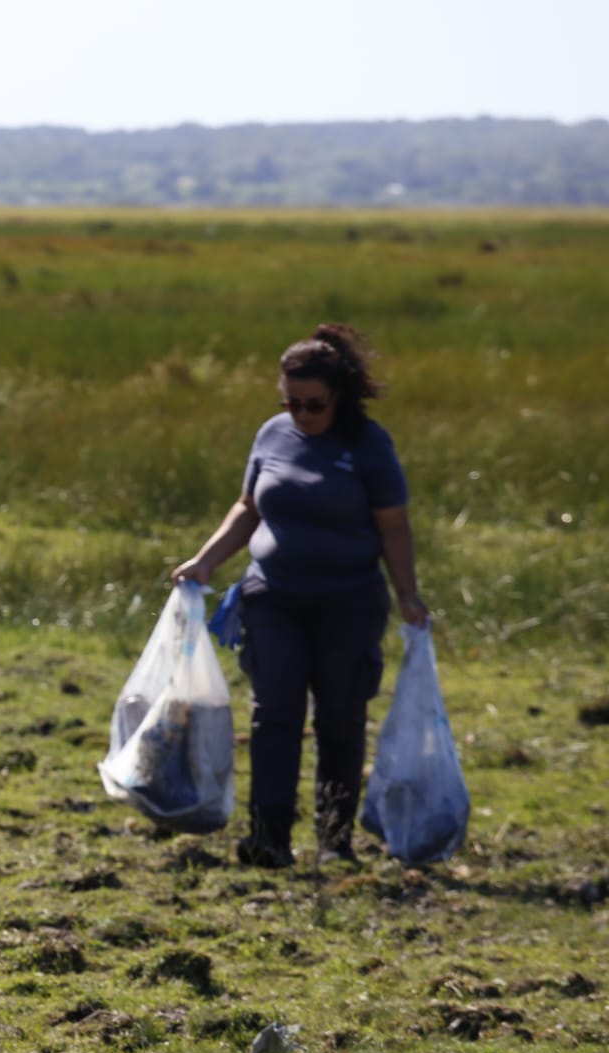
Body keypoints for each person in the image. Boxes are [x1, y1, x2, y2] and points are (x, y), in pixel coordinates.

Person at [172, 324, 428, 868]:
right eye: (290, 403)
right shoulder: (272, 435)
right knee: (274, 716)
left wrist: (407, 592)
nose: (302, 415)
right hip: (274, 598)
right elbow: (248, 508)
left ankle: (335, 843)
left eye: (313, 405)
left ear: (338, 395)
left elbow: (394, 526)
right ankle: (268, 838)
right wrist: (206, 559)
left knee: (339, 719)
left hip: (348, 603)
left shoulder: (367, 446)